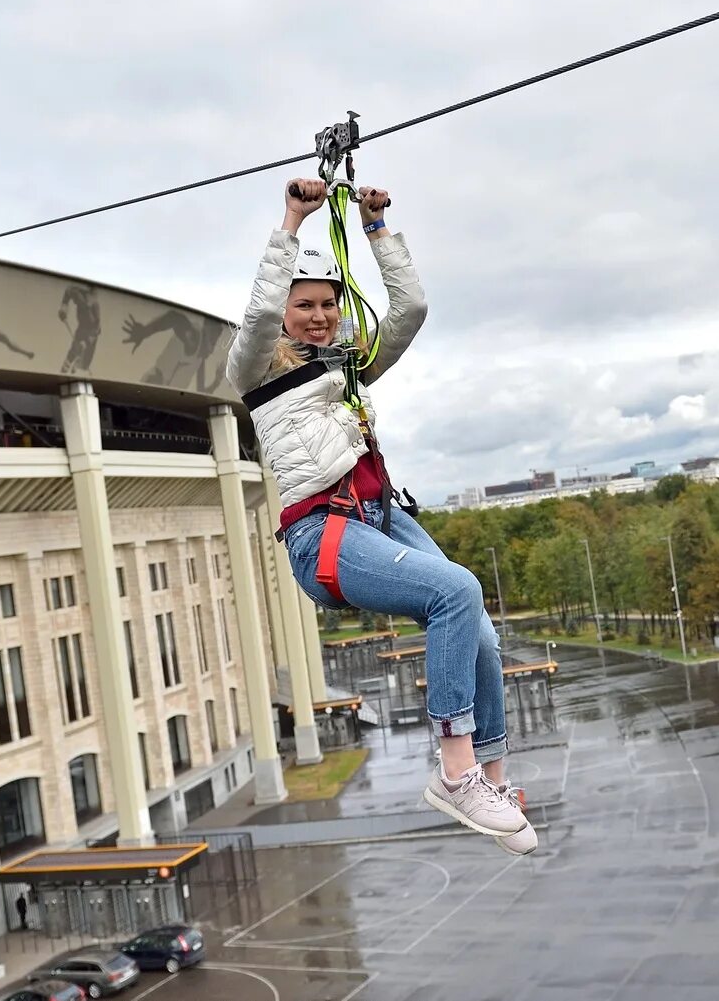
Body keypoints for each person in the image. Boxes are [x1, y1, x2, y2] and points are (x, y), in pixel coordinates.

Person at [226, 179, 535, 856]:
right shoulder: (255, 372)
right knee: (457, 590)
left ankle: (493, 775)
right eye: (303, 306)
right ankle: (455, 772)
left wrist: (376, 227)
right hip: (323, 534)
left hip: (377, 517)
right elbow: (253, 320)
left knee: (476, 626)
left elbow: (411, 308)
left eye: (327, 306)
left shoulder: (347, 365)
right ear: (284, 312)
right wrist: (292, 221)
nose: (318, 316)